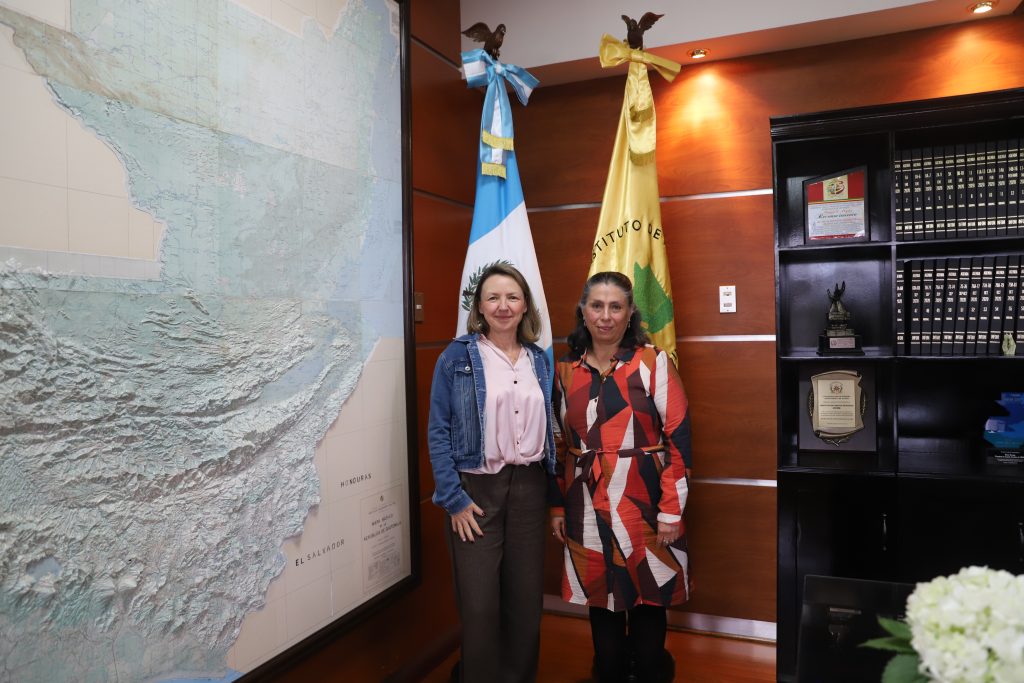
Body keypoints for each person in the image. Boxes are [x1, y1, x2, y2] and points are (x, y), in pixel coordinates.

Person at [549, 271, 693, 683]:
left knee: (648, 602)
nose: (606, 316)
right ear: (583, 311)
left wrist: (671, 511)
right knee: (602, 603)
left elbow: (679, 437)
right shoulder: (564, 371)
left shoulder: (652, 362)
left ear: (631, 313)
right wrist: (557, 505)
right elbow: (557, 445)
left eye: (616, 307)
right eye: (597, 306)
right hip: (584, 504)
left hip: (645, 503)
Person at [427, 263, 555, 683]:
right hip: (475, 493)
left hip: (530, 489)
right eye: (493, 297)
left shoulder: (539, 360)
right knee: (479, 606)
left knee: (525, 603)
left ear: (525, 306)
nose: (503, 306)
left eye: (512, 297)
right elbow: (439, 430)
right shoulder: (457, 357)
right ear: (479, 307)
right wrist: (453, 498)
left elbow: (552, 428)